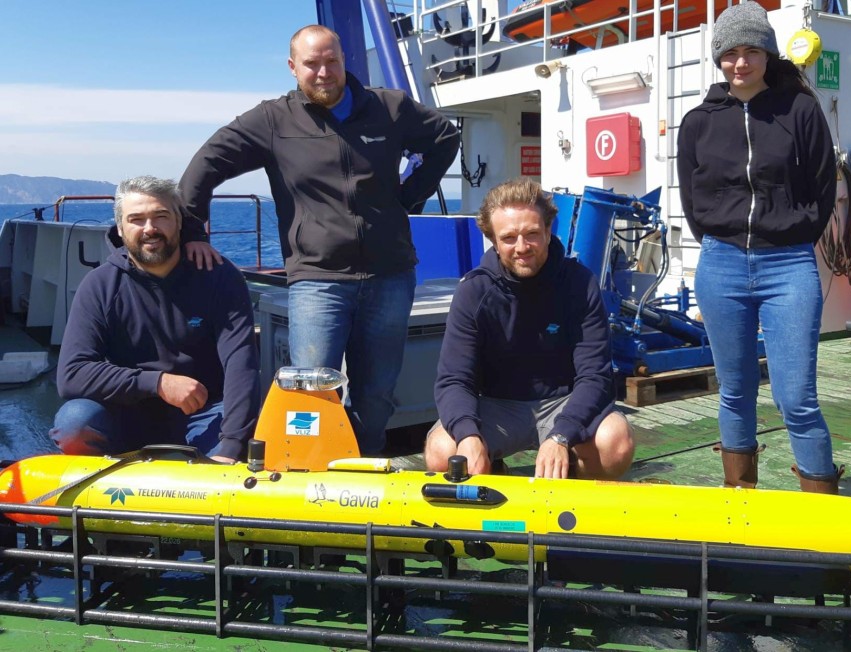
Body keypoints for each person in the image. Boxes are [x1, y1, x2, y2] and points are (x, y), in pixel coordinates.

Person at [178, 25, 460, 455]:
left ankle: (363, 468)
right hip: (318, 280)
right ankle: (310, 469)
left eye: (332, 61)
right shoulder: (274, 120)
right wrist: (192, 231)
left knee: (376, 397)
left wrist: (409, 196)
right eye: (312, 64)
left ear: (344, 60)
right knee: (310, 393)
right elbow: (207, 162)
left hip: (390, 275)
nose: (324, 72)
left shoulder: (390, 107)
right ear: (293, 67)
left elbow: (445, 138)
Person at [676, 1, 841, 493]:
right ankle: (740, 497)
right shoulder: (698, 121)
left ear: (768, 54)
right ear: (718, 58)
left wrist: (792, 233)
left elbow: (823, 187)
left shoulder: (800, 111)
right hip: (721, 264)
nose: (741, 62)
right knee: (735, 391)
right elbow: (692, 197)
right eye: (730, 53)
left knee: (797, 398)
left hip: (788, 266)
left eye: (751, 51)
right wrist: (721, 239)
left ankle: (822, 508)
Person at [425, 178, 635, 479]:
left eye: (532, 234)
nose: (522, 247)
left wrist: (562, 435)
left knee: (615, 443)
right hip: (496, 406)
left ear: (548, 232)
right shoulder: (473, 291)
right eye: (509, 238)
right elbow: (454, 379)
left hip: (563, 402)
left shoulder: (579, 284)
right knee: (442, 453)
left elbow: (595, 376)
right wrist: (468, 435)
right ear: (494, 241)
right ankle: (492, 471)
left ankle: (569, 483)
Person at [51, 176, 260, 462]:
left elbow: (241, 365)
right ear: (120, 229)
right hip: (126, 414)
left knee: (253, 424)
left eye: (161, 216)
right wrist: (158, 383)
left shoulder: (220, 277)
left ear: (179, 222)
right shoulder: (100, 285)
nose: (149, 228)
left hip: (204, 412)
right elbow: (72, 375)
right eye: (136, 219)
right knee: (75, 422)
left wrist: (232, 448)